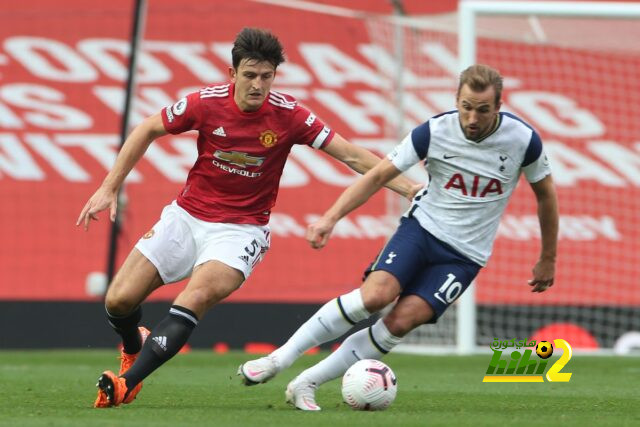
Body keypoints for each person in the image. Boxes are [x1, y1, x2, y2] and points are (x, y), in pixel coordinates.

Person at [77, 27, 419, 408]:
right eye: (250, 75)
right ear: (232, 74)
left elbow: (352, 155)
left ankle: (126, 383)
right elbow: (147, 128)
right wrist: (110, 186)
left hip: (240, 231)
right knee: (119, 301)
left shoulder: (291, 116)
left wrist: (410, 189)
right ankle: (133, 346)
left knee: (196, 296)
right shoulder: (205, 104)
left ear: (274, 76)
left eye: (266, 76)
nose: (258, 85)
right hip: (186, 218)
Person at [239, 64, 559, 411]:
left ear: (498, 107)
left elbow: (546, 196)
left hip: (465, 256)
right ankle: (278, 360)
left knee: (401, 321)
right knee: (374, 297)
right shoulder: (433, 131)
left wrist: (548, 257)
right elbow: (377, 176)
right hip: (420, 230)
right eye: (466, 106)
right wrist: (330, 218)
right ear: (456, 100)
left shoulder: (523, 140)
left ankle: (307, 382)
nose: (472, 118)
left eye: (482, 110)